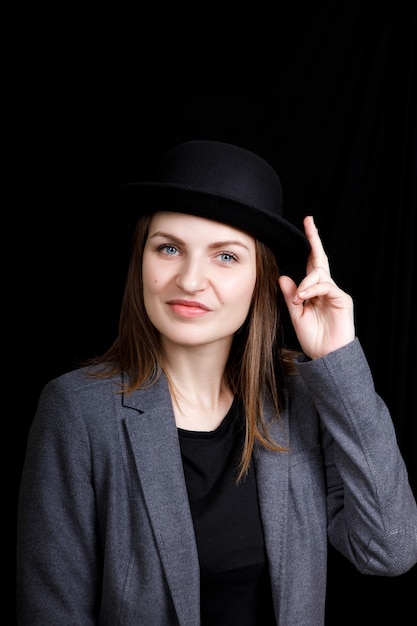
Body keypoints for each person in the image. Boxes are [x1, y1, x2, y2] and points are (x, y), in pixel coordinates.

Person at [16, 139, 417, 626]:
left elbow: (389, 548)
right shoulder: (78, 411)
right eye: (169, 248)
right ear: (140, 261)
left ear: (260, 278)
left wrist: (338, 360)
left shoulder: (303, 401)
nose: (189, 280)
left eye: (225, 257)